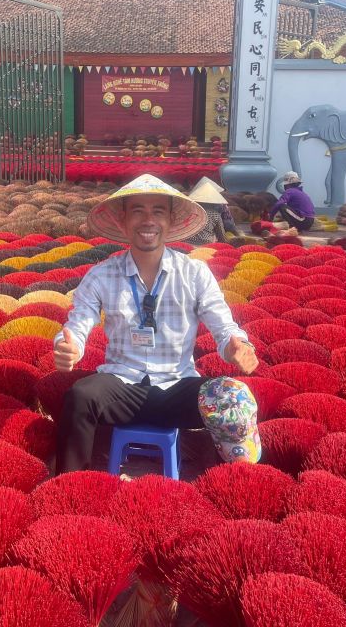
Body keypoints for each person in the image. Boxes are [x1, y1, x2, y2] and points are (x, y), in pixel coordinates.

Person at [53, 174, 261, 474]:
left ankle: (239, 482)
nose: (147, 220)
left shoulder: (194, 273)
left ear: (170, 220)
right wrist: (66, 347)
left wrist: (236, 346)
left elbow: (223, 326)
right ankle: (72, 488)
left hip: (178, 387)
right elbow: (78, 325)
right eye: (137, 210)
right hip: (122, 387)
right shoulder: (101, 275)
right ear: (123, 221)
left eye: (158, 211)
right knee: (80, 396)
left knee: (234, 397)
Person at [185, 177, 238, 245]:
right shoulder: (215, 213)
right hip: (206, 243)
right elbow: (224, 233)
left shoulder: (187, 209)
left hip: (185, 241)